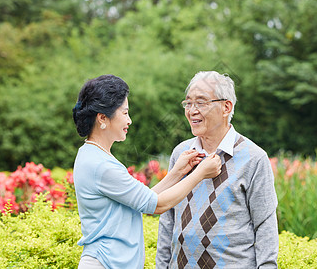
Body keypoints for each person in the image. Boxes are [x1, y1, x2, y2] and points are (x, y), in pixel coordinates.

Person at [72, 74, 222, 269]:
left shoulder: (93, 155)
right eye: (125, 113)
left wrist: (177, 172)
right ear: (102, 118)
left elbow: (141, 201)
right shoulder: (100, 165)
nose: (130, 121)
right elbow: (157, 205)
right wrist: (199, 174)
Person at [156, 71, 279, 268]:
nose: (192, 110)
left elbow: (265, 225)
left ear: (226, 107)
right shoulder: (181, 154)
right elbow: (167, 221)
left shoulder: (254, 158)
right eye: (188, 103)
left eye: (201, 102)